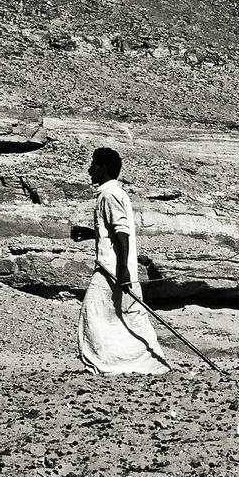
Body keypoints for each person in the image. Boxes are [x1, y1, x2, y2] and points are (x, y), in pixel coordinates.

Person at [76, 147, 170, 375]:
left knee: (94, 312)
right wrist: (91, 233)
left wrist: (124, 271)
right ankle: (143, 363)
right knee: (126, 314)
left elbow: (122, 232)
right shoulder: (111, 194)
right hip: (114, 268)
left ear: (104, 168)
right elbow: (112, 231)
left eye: (94, 165)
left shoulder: (110, 195)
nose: (90, 170)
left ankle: (132, 363)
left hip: (112, 270)